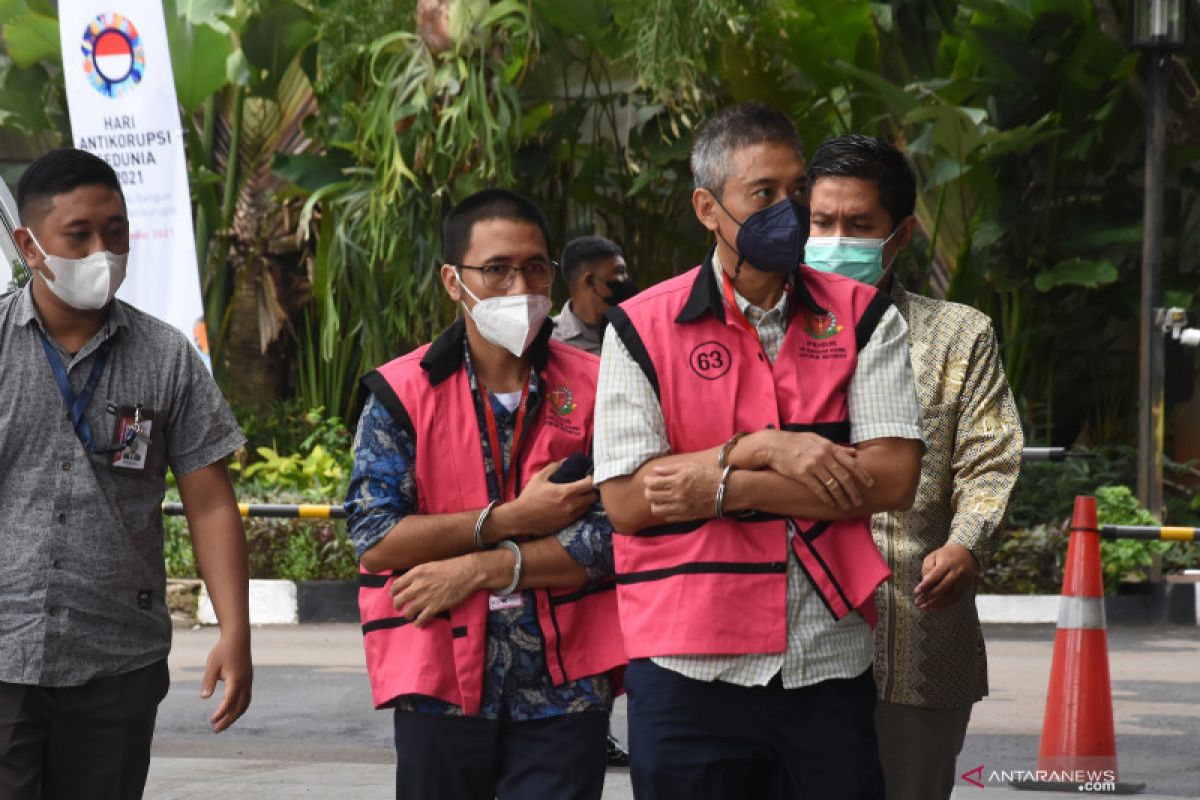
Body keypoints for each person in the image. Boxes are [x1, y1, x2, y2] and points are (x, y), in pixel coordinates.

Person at [593, 103, 924, 800]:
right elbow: (627, 501)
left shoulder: (865, 317)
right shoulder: (641, 328)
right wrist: (769, 448)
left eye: (797, 189)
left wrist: (724, 484)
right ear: (708, 208)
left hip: (825, 661)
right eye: (764, 194)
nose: (791, 210)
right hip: (687, 664)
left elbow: (891, 478)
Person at [345, 188, 625, 800]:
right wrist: (513, 519)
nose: (518, 285)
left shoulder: (605, 385)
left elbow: (615, 534)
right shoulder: (400, 393)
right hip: (439, 676)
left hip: (565, 683)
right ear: (453, 280)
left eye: (533, 267)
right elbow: (375, 537)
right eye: (495, 269)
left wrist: (479, 569)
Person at [0, 148, 252, 799]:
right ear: (29, 244)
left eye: (116, 231)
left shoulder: (166, 357)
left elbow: (210, 502)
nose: (102, 251)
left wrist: (235, 630)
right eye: (78, 235)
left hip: (117, 661)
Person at [806, 133, 1024, 800]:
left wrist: (967, 541)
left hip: (917, 637)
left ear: (898, 236)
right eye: (821, 223)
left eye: (857, 225)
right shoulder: (766, 331)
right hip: (794, 648)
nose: (835, 239)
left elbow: (990, 456)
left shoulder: (959, 335)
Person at [551, 235, 637, 356]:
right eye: (619, 272)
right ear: (590, 281)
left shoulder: (638, 332)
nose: (626, 279)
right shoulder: (550, 343)